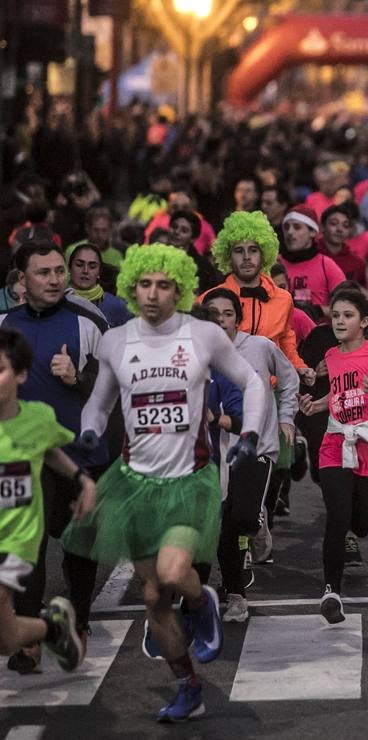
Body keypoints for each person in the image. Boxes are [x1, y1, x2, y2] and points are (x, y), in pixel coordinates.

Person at [63, 243, 269, 722]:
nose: (152, 294)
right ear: (132, 288)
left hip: (189, 480)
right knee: (154, 597)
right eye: (144, 284)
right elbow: (99, 400)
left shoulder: (203, 336)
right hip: (135, 483)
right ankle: (188, 685)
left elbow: (252, 382)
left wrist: (251, 434)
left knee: (175, 575)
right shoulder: (115, 341)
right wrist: (90, 429)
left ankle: (203, 599)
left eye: (163, 285)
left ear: (180, 289)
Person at [0, 241, 108, 672]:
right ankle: (30, 638)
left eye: (58, 271)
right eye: (43, 273)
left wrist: (77, 377)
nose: (55, 279)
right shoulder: (6, 324)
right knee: (27, 549)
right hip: (24, 460)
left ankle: (77, 623)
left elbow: (110, 389)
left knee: (79, 547)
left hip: (80, 455)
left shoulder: (87, 320)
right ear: (20, 280)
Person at [298, 287, 368, 624]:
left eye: (347, 316)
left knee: (360, 525)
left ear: (363, 321)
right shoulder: (331, 357)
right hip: (336, 443)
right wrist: (316, 405)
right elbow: (338, 393)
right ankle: (331, 591)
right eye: (335, 316)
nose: (339, 321)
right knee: (337, 515)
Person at [200, 287, 300, 623]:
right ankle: (235, 596)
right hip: (214, 451)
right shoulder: (198, 354)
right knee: (224, 526)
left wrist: (286, 417)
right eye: (213, 314)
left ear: (238, 318)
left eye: (228, 314)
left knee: (241, 517)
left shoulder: (259, 347)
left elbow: (289, 380)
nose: (221, 321)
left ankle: (255, 523)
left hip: (258, 446)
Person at [0, 328, 92, 675]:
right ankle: (52, 627)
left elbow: (51, 448)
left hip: (17, 541)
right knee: (6, 640)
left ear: (21, 374)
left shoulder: (37, 417)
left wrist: (82, 480)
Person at [205, 211, 307, 374]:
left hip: (272, 389)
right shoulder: (208, 300)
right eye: (239, 250)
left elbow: (285, 339)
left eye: (253, 250)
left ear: (264, 254)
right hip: (226, 389)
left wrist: (299, 366)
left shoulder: (283, 299)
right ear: (228, 256)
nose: (246, 257)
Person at [277, 205, 346, 320]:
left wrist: (320, 310)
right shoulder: (275, 263)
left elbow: (348, 307)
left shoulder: (327, 265)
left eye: (297, 227)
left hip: (319, 334)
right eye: (286, 227)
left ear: (313, 232)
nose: (290, 232)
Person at [66, 242, 131, 327]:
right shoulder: (57, 303)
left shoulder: (117, 306)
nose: (85, 270)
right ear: (69, 269)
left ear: (99, 272)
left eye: (92, 266)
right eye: (79, 265)